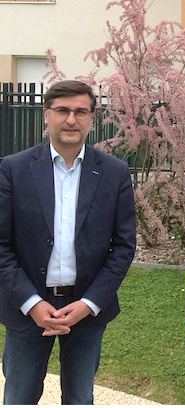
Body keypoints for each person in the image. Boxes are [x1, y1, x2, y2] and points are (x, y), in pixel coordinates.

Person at [0, 80, 137, 404]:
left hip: (85, 310)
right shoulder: (14, 169)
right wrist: (31, 303)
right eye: (62, 111)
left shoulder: (114, 173)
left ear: (92, 118)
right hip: (27, 308)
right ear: (46, 115)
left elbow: (123, 246)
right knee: (19, 397)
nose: (71, 120)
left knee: (79, 398)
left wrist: (88, 305)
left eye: (80, 112)